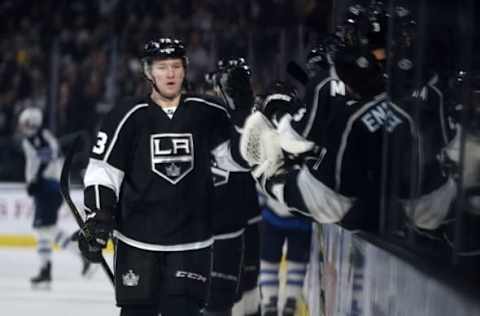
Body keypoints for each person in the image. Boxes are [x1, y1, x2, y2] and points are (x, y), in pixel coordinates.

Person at [77, 38, 252, 316]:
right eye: (162, 67)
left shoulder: (209, 112)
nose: (170, 74)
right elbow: (103, 171)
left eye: (175, 66)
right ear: (148, 72)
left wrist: (244, 116)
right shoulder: (126, 115)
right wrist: (99, 215)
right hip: (137, 241)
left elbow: (236, 161)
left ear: (185, 70)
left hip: (191, 242)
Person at [247, 1, 457, 233]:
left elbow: (294, 142)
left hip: (347, 201)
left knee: (275, 158)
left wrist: (280, 115)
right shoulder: (430, 82)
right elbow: (449, 148)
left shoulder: (331, 82)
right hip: (417, 207)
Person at [17, 107, 90, 288]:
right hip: (49, 187)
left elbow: (43, 160)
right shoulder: (44, 137)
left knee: (45, 228)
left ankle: (80, 255)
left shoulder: (38, 139)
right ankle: (45, 270)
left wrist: (34, 180)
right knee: (43, 229)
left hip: (47, 188)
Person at [258, 194, 312, 316]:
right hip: (300, 217)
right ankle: (290, 302)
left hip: (273, 215)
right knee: (296, 263)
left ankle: (271, 302)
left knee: (269, 262)